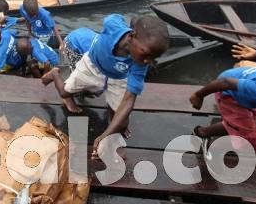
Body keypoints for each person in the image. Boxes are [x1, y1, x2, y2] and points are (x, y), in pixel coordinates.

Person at [42, 14, 169, 156]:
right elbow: (114, 17)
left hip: (118, 75)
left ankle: (115, 123)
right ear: (131, 36)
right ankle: (54, 74)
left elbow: (129, 100)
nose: (147, 61)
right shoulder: (113, 26)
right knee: (65, 92)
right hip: (92, 64)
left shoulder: (140, 65)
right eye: (146, 53)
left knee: (122, 117)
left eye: (153, 57)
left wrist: (106, 134)